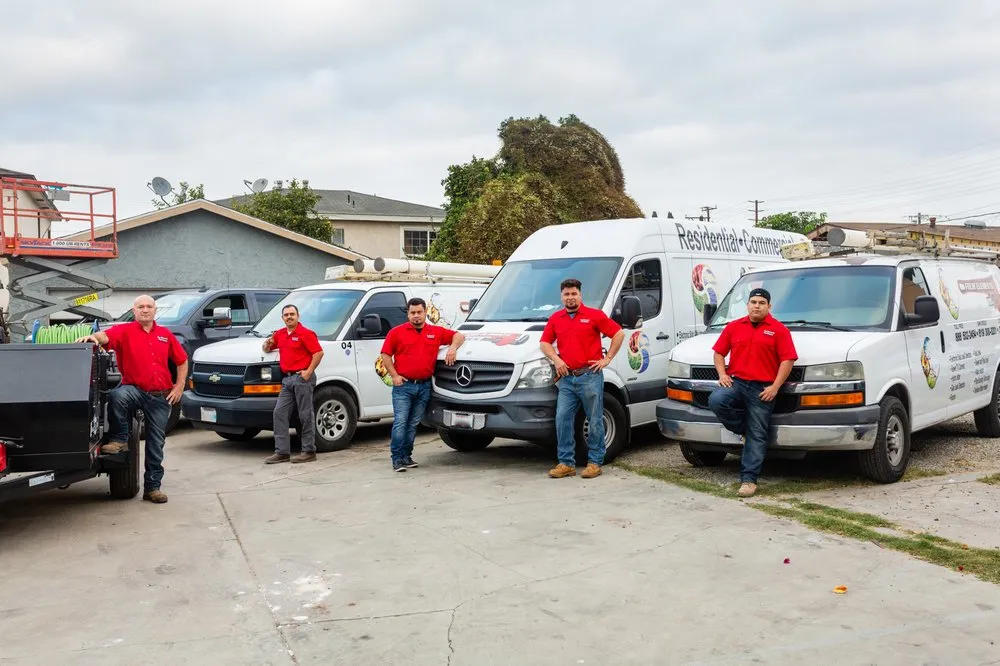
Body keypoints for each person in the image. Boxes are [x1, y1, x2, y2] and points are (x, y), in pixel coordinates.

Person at [76, 295, 188, 504]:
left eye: (149, 306)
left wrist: (179, 386)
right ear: (134, 310)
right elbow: (105, 336)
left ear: (155, 310)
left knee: (156, 444)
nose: (145, 310)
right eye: (140, 307)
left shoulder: (165, 335)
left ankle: (152, 488)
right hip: (135, 389)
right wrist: (94, 338)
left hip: (160, 397)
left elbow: (182, 360)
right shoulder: (124, 331)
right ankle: (120, 439)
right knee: (118, 395)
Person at [708, 287, 797, 497]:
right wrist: (722, 374)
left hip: (762, 389)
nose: (757, 306)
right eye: (753, 302)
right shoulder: (734, 326)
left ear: (769, 306)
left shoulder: (778, 330)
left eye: (761, 303)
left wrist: (775, 387)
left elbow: (788, 360)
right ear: (747, 304)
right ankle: (745, 429)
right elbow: (719, 352)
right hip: (737, 383)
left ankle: (748, 480)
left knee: (758, 434)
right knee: (716, 400)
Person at [540, 278, 625, 480]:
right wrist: (556, 359)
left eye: (574, 293)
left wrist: (607, 359)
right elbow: (544, 343)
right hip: (567, 379)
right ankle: (566, 463)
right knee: (562, 419)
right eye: (566, 294)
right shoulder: (556, 318)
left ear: (580, 295)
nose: (570, 297)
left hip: (590, 376)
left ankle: (595, 462)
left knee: (595, 420)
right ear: (562, 296)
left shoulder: (594, 315)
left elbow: (618, 334)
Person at [380, 297, 465, 472]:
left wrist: (452, 348)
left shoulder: (435, 332)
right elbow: (385, 355)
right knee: (401, 422)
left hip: (425, 386)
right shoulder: (396, 332)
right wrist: (394, 376)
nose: (416, 316)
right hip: (403, 386)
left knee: (413, 424)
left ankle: (407, 456)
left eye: (419, 312)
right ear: (408, 314)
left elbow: (459, 335)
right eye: (412, 313)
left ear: (426, 312)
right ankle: (397, 459)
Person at [263, 304, 325, 464]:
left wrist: (308, 372)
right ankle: (282, 452)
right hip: (287, 379)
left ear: (298, 316)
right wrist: (267, 344)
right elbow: (268, 348)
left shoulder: (306, 333)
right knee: (279, 413)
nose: (289, 317)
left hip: (301, 378)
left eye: (292, 314)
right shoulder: (280, 334)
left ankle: (309, 450)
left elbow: (318, 353)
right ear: (282, 318)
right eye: (286, 315)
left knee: (305, 414)